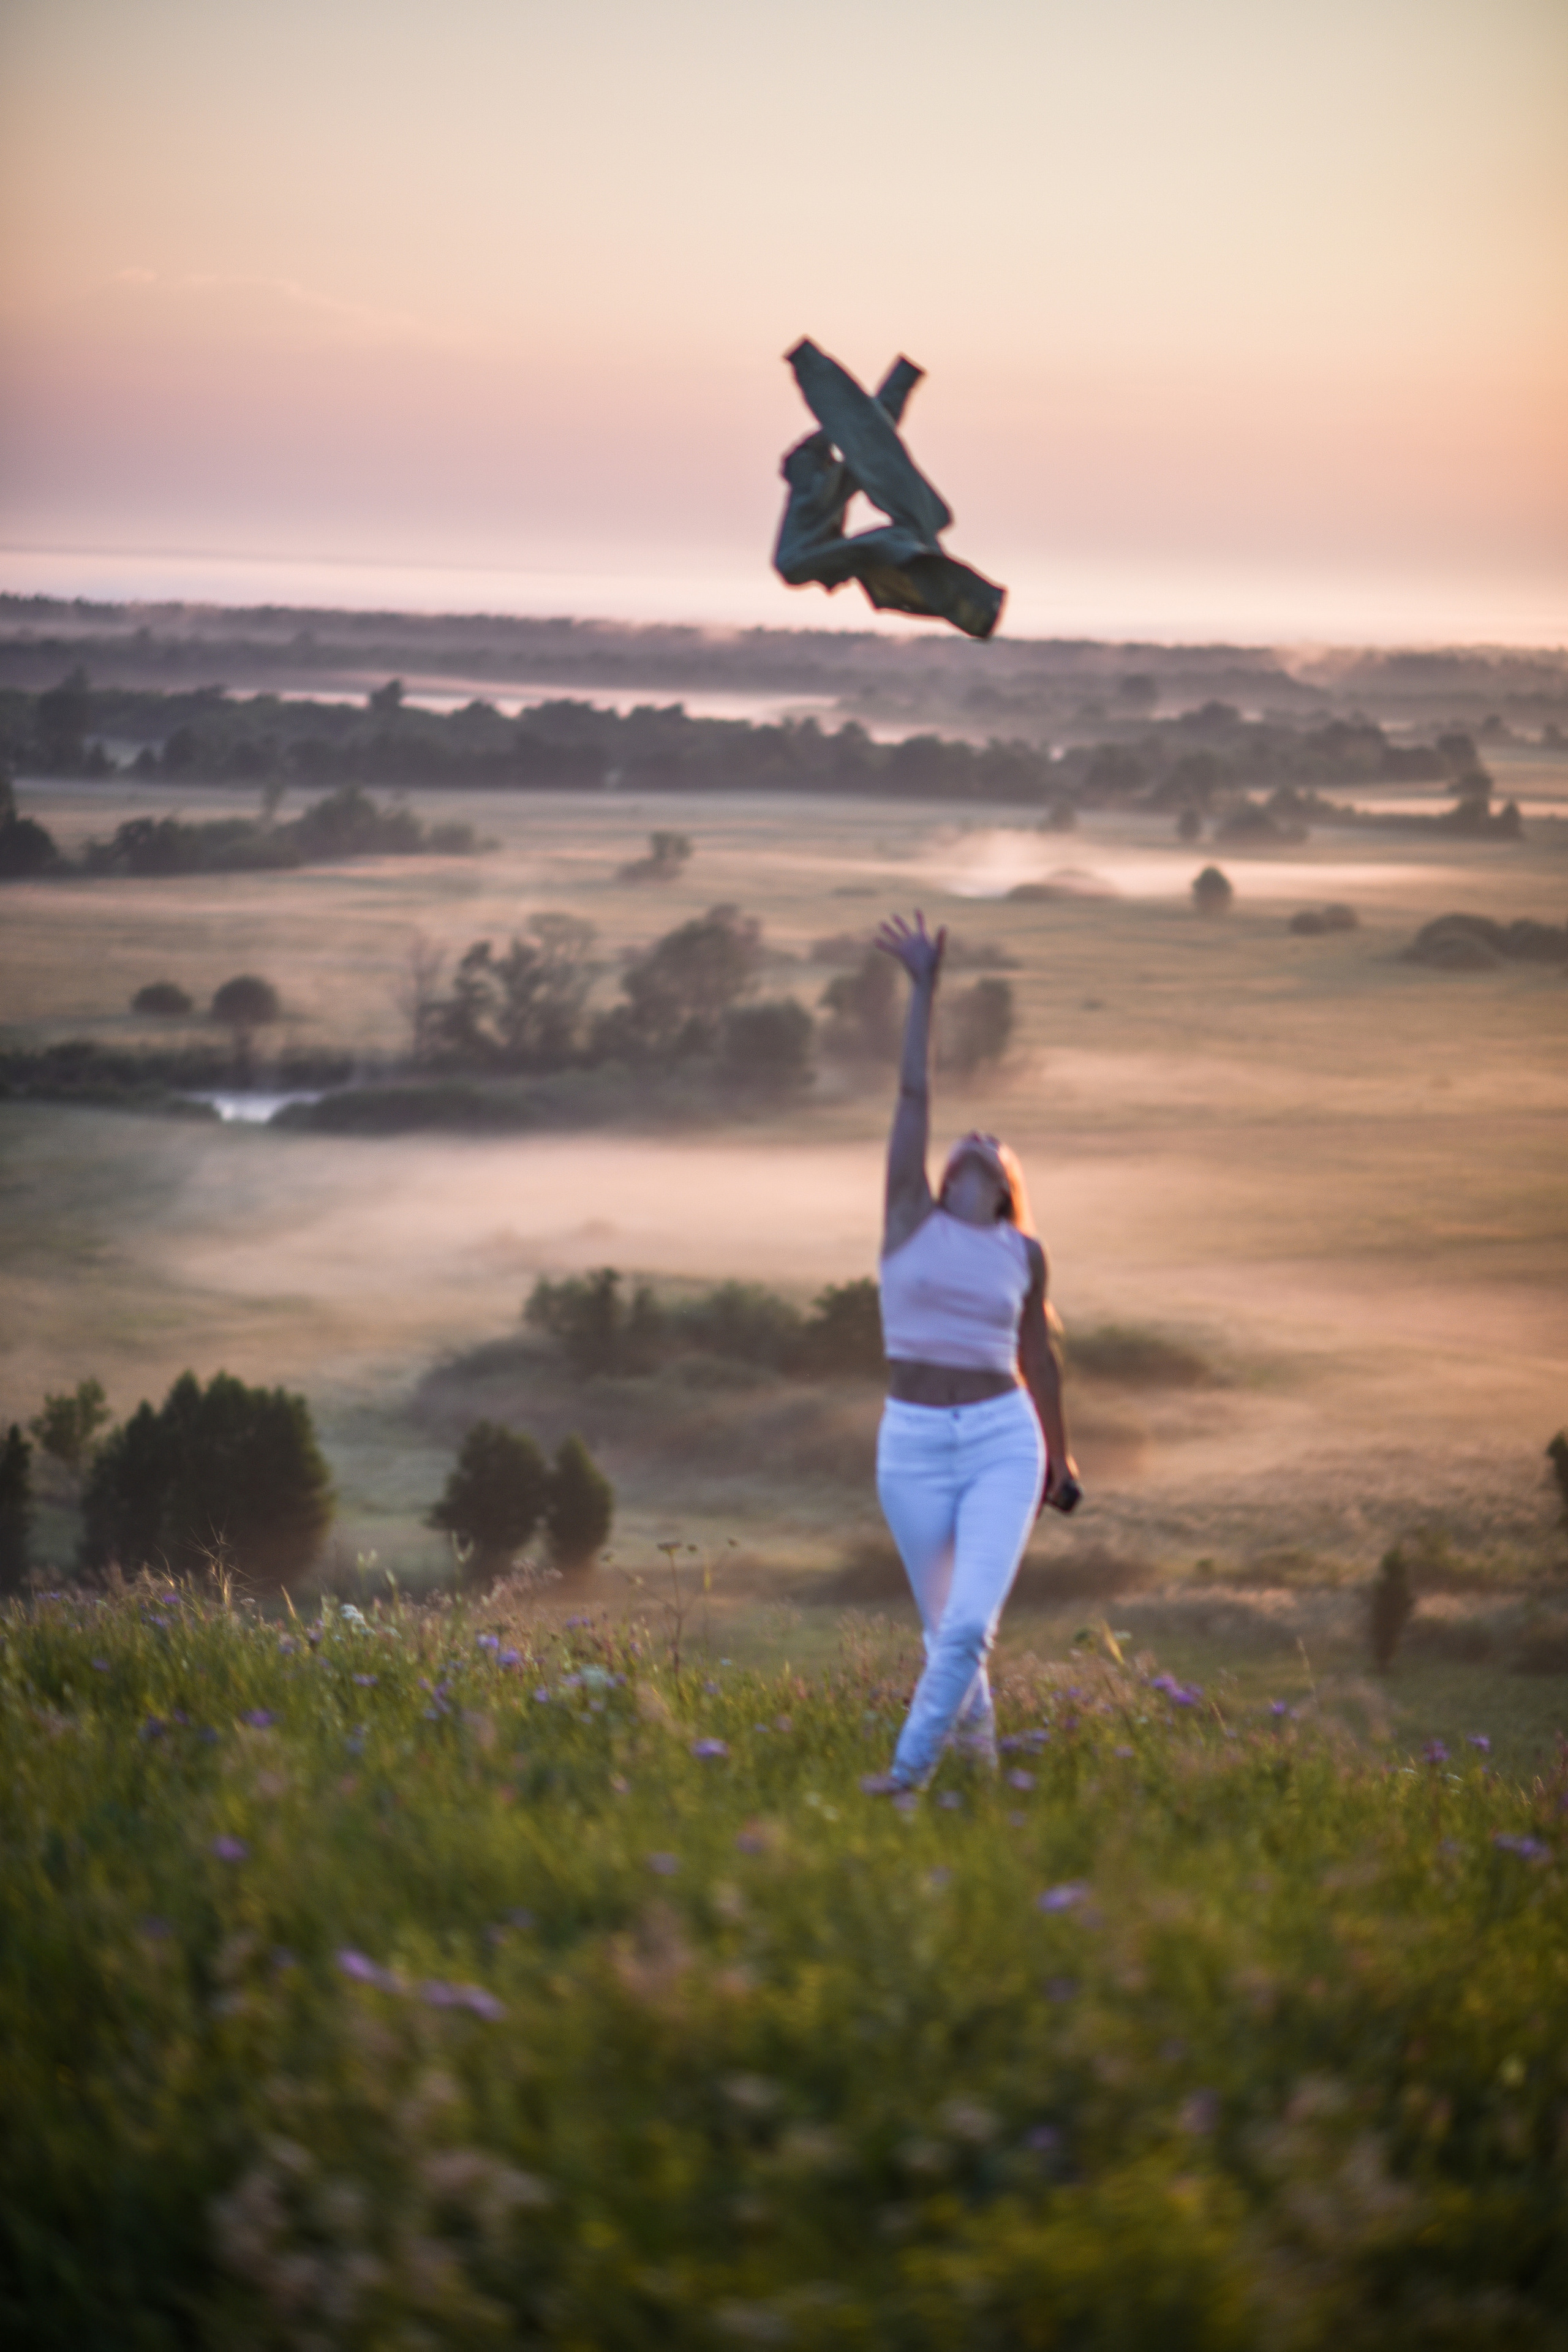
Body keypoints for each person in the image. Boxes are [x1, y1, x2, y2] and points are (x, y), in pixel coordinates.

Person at [862, 911, 1078, 1795]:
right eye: (964, 1146)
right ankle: (982, 1793)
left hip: (1001, 1437)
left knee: (966, 1632)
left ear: (1006, 1183)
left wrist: (1058, 1460)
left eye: (992, 1149)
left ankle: (905, 1783)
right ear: (944, 1173)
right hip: (911, 1443)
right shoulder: (908, 1221)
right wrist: (925, 988)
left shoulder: (1022, 1254)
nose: (974, 1145)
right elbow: (913, 1098)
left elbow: (1042, 1357)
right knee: (945, 1630)